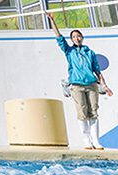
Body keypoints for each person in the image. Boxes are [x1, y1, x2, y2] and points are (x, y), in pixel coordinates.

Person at [47, 11, 113, 149]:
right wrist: (52, 20)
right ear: (71, 39)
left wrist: (104, 86)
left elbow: (97, 71)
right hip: (76, 86)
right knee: (82, 112)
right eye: (74, 37)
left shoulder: (90, 53)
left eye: (78, 36)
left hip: (92, 85)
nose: (76, 38)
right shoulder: (69, 51)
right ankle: (86, 140)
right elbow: (59, 37)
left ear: (82, 37)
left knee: (93, 111)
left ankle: (96, 141)